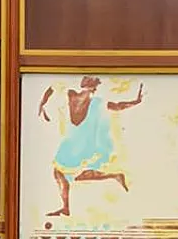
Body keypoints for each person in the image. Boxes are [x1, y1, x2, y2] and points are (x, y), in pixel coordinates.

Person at [39, 77, 144, 219]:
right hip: (75, 144)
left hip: (77, 144)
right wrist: (135, 102)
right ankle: (114, 176)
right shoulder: (89, 99)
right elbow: (118, 106)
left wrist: (42, 104)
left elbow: (51, 89)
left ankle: (66, 207)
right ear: (94, 88)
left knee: (60, 173)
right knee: (67, 174)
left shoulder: (74, 95)